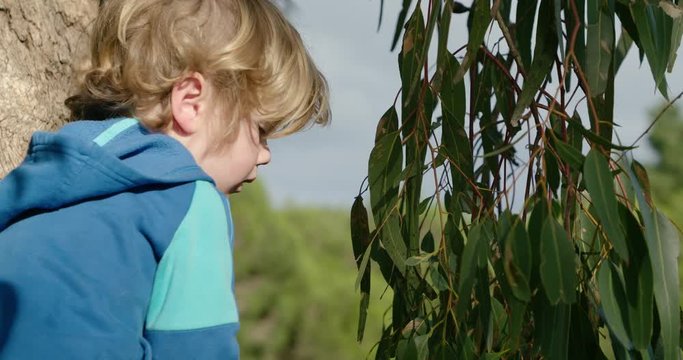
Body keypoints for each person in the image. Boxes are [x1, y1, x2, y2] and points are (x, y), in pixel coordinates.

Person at [0, 0, 329, 358]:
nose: (265, 154)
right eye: (261, 130)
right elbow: (197, 350)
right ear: (191, 103)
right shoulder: (190, 200)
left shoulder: (48, 173)